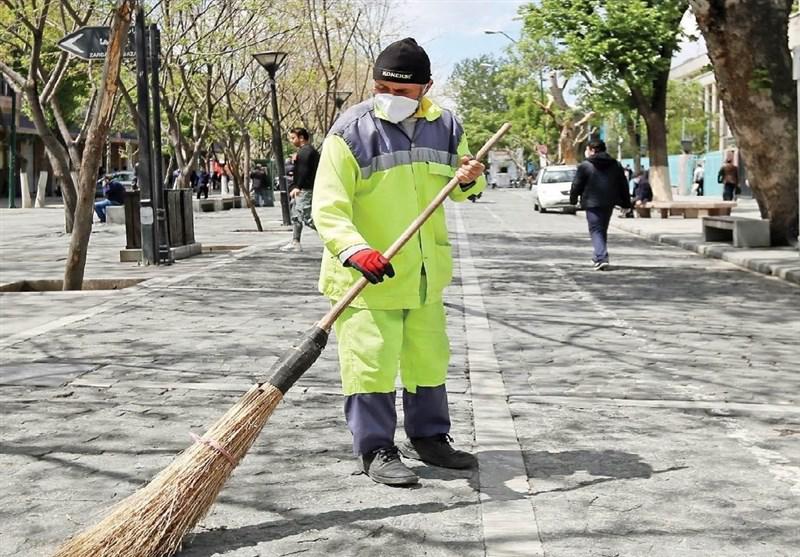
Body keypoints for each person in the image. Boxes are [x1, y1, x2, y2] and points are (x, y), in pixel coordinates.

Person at [312, 37, 486, 486]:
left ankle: (430, 439)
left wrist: (469, 177)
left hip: (426, 275)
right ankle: (376, 449)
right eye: (383, 87)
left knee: (429, 361)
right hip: (369, 276)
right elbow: (328, 208)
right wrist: (355, 250)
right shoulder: (349, 133)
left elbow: (464, 190)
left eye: (403, 91)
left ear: (426, 87)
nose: (390, 97)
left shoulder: (446, 127)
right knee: (371, 363)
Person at [569, 139, 632, 270]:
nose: (586, 152)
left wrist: (573, 199)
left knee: (596, 229)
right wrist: (626, 203)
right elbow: (623, 184)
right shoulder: (615, 164)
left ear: (592, 150)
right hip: (609, 202)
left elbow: (577, 184)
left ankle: (602, 257)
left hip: (592, 202)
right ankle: (597, 256)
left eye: (587, 149)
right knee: (601, 229)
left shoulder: (585, 165)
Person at [280, 128, 320, 252]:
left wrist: (298, 186)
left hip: (305, 189)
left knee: (307, 217)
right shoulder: (304, 152)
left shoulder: (306, 152)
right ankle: (295, 241)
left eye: (293, 138)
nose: (292, 141)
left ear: (301, 137)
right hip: (303, 188)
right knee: (296, 216)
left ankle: (333, 236)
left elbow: (304, 171)